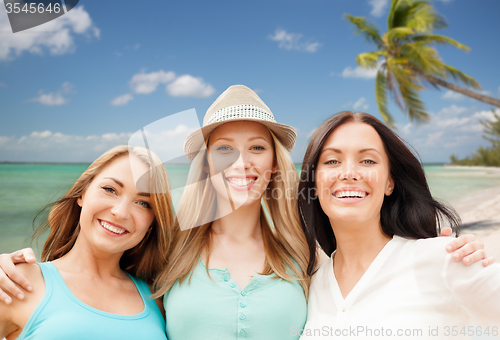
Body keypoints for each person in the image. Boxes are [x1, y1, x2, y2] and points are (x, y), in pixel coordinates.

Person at [0, 88, 492, 340]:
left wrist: (435, 246)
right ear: (204, 162)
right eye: (224, 149)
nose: (242, 162)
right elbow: (102, 273)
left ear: (275, 162)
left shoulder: (306, 253)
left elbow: (368, 276)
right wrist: (30, 272)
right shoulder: (170, 250)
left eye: (257, 146)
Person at [297, 112, 500, 339]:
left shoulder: (443, 259)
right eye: (332, 161)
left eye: (368, 161)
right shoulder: (310, 284)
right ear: (314, 184)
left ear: (390, 182)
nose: (349, 173)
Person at [0, 146, 172, 340]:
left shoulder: (158, 298)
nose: (121, 212)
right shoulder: (17, 282)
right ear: (82, 193)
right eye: (110, 189)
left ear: (152, 223)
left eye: (143, 203)